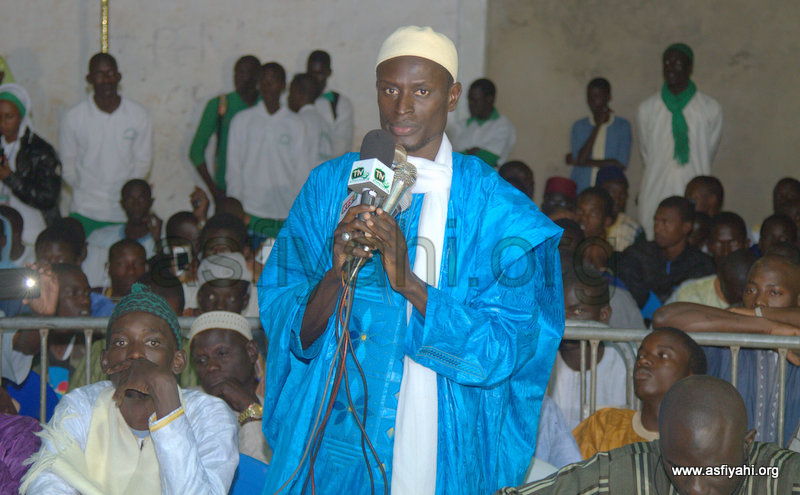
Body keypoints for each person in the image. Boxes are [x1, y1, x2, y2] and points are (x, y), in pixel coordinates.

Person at [258, 25, 563, 494]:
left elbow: (508, 348)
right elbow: (283, 317)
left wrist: (409, 282)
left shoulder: (502, 216)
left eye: (421, 91)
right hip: (331, 436)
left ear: (453, 95)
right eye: (389, 89)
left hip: (438, 442)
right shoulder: (328, 188)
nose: (401, 107)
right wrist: (335, 277)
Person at [20, 284, 239, 494]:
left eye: (152, 343)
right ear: (105, 362)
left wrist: (167, 401)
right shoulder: (81, 405)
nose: (136, 354)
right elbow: (48, 482)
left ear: (178, 361)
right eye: (121, 343)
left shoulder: (209, 414)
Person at [497, 376, 800, 495]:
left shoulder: (780, 477)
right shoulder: (625, 472)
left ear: (746, 445)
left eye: (712, 470)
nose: (694, 488)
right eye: (679, 467)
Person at [653, 254, 800, 446]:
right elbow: (664, 317)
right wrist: (766, 327)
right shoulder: (727, 340)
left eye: (774, 293)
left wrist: (757, 315)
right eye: (750, 290)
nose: (758, 301)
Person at [572, 327, 705, 459]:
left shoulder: (703, 440)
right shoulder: (603, 424)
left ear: (691, 377)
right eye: (640, 355)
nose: (643, 361)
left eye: (662, 355)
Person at [60, 53, 152, 236]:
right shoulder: (73, 117)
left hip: (123, 214)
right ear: (89, 79)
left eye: (110, 73)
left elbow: (143, 163)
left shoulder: (138, 115)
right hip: (85, 210)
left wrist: (128, 200)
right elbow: (67, 164)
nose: (106, 80)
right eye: (100, 74)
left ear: (118, 76)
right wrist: (85, 188)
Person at [636, 43, 723, 239]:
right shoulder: (648, 109)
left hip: (694, 191)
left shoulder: (710, 108)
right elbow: (646, 151)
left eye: (677, 62)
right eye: (666, 62)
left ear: (690, 67)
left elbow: (709, 150)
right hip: (656, 189)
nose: (670, 67)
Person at [226, 62, 307, 245]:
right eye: (264, 81)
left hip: (285, 214)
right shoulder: (242, 120)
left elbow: (302, 172)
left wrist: (298, 212)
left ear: (284, 86)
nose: (268, 86)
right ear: (258, 84)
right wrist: (238, 212)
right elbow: (234, 169)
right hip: (251, 212)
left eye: (274, 81)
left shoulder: (296, 124)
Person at [548, 264, 628, 429]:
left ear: (603, 315)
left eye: (577, 311)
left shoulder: (626, 360)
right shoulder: (538, 359)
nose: (564, 320)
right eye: (557, 309)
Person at [188, 311, 271, 465]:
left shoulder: (277, 414)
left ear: (251, 352)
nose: (211, 367)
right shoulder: (186, 405)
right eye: (201, 360)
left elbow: (260, 477)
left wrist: (249, 407)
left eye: (222, 353)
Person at [618, 196, 715, 320]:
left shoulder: (702, 265)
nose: (657, 229)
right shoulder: (636, 255)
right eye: (656, 221)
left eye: (665, 222)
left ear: (686, 227)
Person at [189, 55, 261, 198]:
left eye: (245, 72)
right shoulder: (219, 105)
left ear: (258, 76)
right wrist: (214, 189)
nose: (239, 78)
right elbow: (195, 152)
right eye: (237, 72)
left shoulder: (266, 105)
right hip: (228, 188)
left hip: (263, 190)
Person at [0, 83, 61, 245]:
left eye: (9, 116)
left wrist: (9, 178)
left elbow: (47, 197)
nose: (3, 123)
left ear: (21, 116)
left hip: (32, 230)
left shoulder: (40, 150)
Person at [83, 179, 161, 288]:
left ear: (151, 202)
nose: (136, 204)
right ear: (122, 204)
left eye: (141, 199)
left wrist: (158, 241)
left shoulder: (163, 239)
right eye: (130, 199)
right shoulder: (99, 237)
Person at [566, 78, 632, 193]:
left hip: (609, 188)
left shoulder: (622, 126)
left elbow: (620, 163)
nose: (593, 102)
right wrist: (597, 126)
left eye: (597, 96)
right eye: (590, 97)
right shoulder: (579, 126)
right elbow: (581, 158)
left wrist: (585, 162)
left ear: (608, 97)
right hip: (582, 186)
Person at [450, 78, 516, 167]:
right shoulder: (459, 126)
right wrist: (475, 153)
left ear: (489, 99)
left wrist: (465, 153)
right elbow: (451, 158)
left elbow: (490, 159)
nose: (470, 104)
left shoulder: (503, 126)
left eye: (475, 100)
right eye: (469, 100)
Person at [668, 247, 757, 309]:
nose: (746, 297)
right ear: (720, 283)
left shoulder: (764, 299)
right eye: (741, 293)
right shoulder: (690, 297)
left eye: (751, 290)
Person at [308, 49, 355, 156]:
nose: (314, 79)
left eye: (319, 73)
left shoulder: (340, 104)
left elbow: (342, 144)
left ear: (328, 73)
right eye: (311, 73)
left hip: (328, 168)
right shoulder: (295, 101)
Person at [288, 72, 333, 167]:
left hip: (307, 179)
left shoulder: (299, 122)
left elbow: (301, 162)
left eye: (291, 92)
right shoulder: (324, 122)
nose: (288, 97)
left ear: (299, 93)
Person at [596, 167, 642, 252]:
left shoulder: (633, 228)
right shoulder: (585, 221)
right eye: (613, 192)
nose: (617, 200)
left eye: (622, 195)